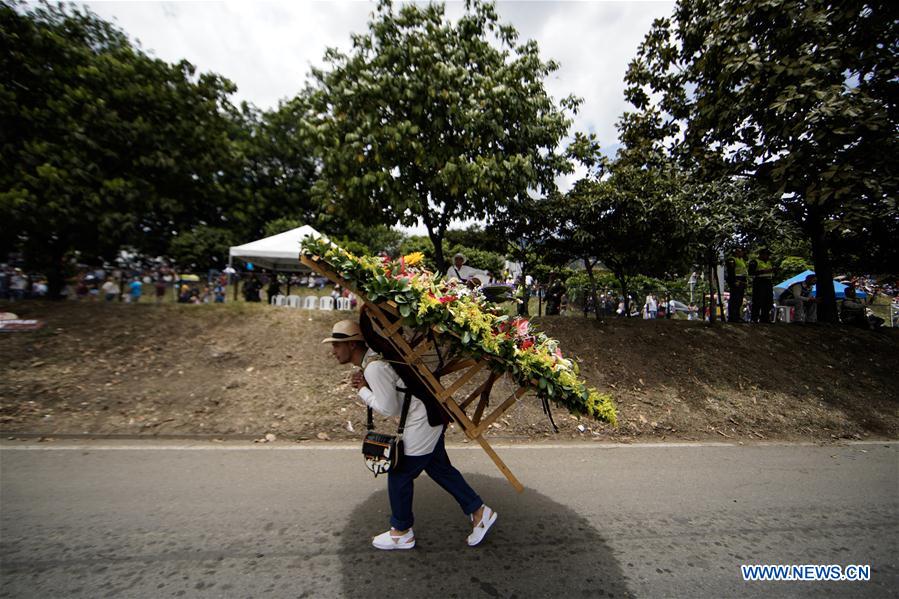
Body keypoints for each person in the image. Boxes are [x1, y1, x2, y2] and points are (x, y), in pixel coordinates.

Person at [324, 319, 496, 551]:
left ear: (353, 345)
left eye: (336, 345)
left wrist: (362, 391)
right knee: (439, 468)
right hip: (430, 415)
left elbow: (389, 408)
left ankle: (401, 531)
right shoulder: (375, 359)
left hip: (423, 421)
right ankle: (479, 511)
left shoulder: (374, 367)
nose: (333, 351)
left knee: (400, 473)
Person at [749, 248, 775, 323]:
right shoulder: (754, 262)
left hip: (768, 281)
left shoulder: (769, 262)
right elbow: (751, 272)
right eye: (766, 255)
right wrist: (764, 271)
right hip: (759, 282)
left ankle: (765, 318)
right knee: (757, 300)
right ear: (762, 254)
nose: (768, 256)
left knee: (768, 300)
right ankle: (754, 318)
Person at [725, 247, 748, 322]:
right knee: (734, 299)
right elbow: (731, 272)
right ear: (736, 252)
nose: (742, 253)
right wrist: (734, 281)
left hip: (741, 281)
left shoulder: (741, 260)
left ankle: (737, 316)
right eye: (741, 252)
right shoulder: (731, 260)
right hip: (736, 280)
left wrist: (745, 282)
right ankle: (732, 317)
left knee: (739, 300)